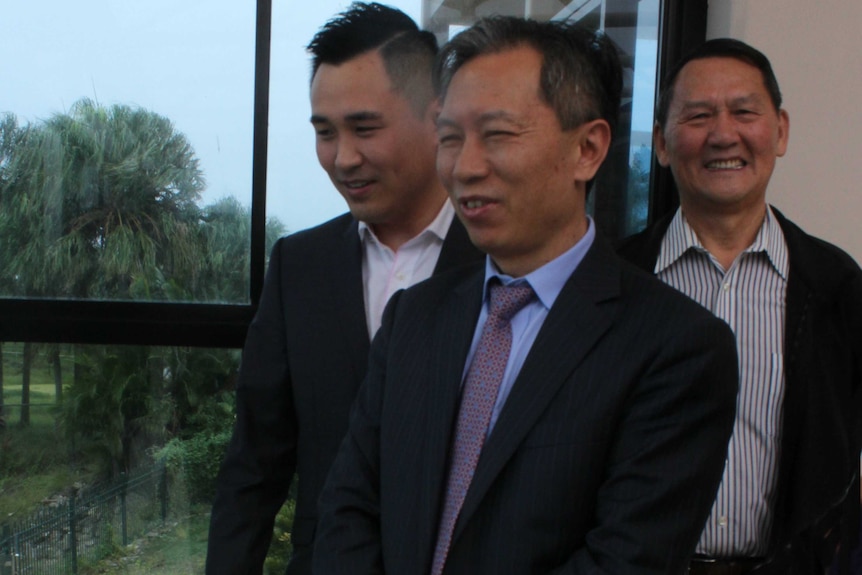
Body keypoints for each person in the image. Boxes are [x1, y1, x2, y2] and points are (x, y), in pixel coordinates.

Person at [313, 17, 740, 574]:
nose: (465, 167)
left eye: (497, 135)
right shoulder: (415, 317)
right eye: (449, 138)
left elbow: (626, 560)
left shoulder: (676, 348)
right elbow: (349, 510)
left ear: (588, 148)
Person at [205, 4, 483, 574]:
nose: (343, 157)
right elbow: (254, 465)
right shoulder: (298, 266)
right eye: (325, 133)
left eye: (364, 128)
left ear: (437, 118)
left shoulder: (498, 261)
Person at [617, 38, 862, 574]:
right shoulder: (612, 281)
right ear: (661, 142)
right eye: (698, 115)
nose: (723, 134)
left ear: (781, 131)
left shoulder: (837, 286)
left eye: (744, 112)